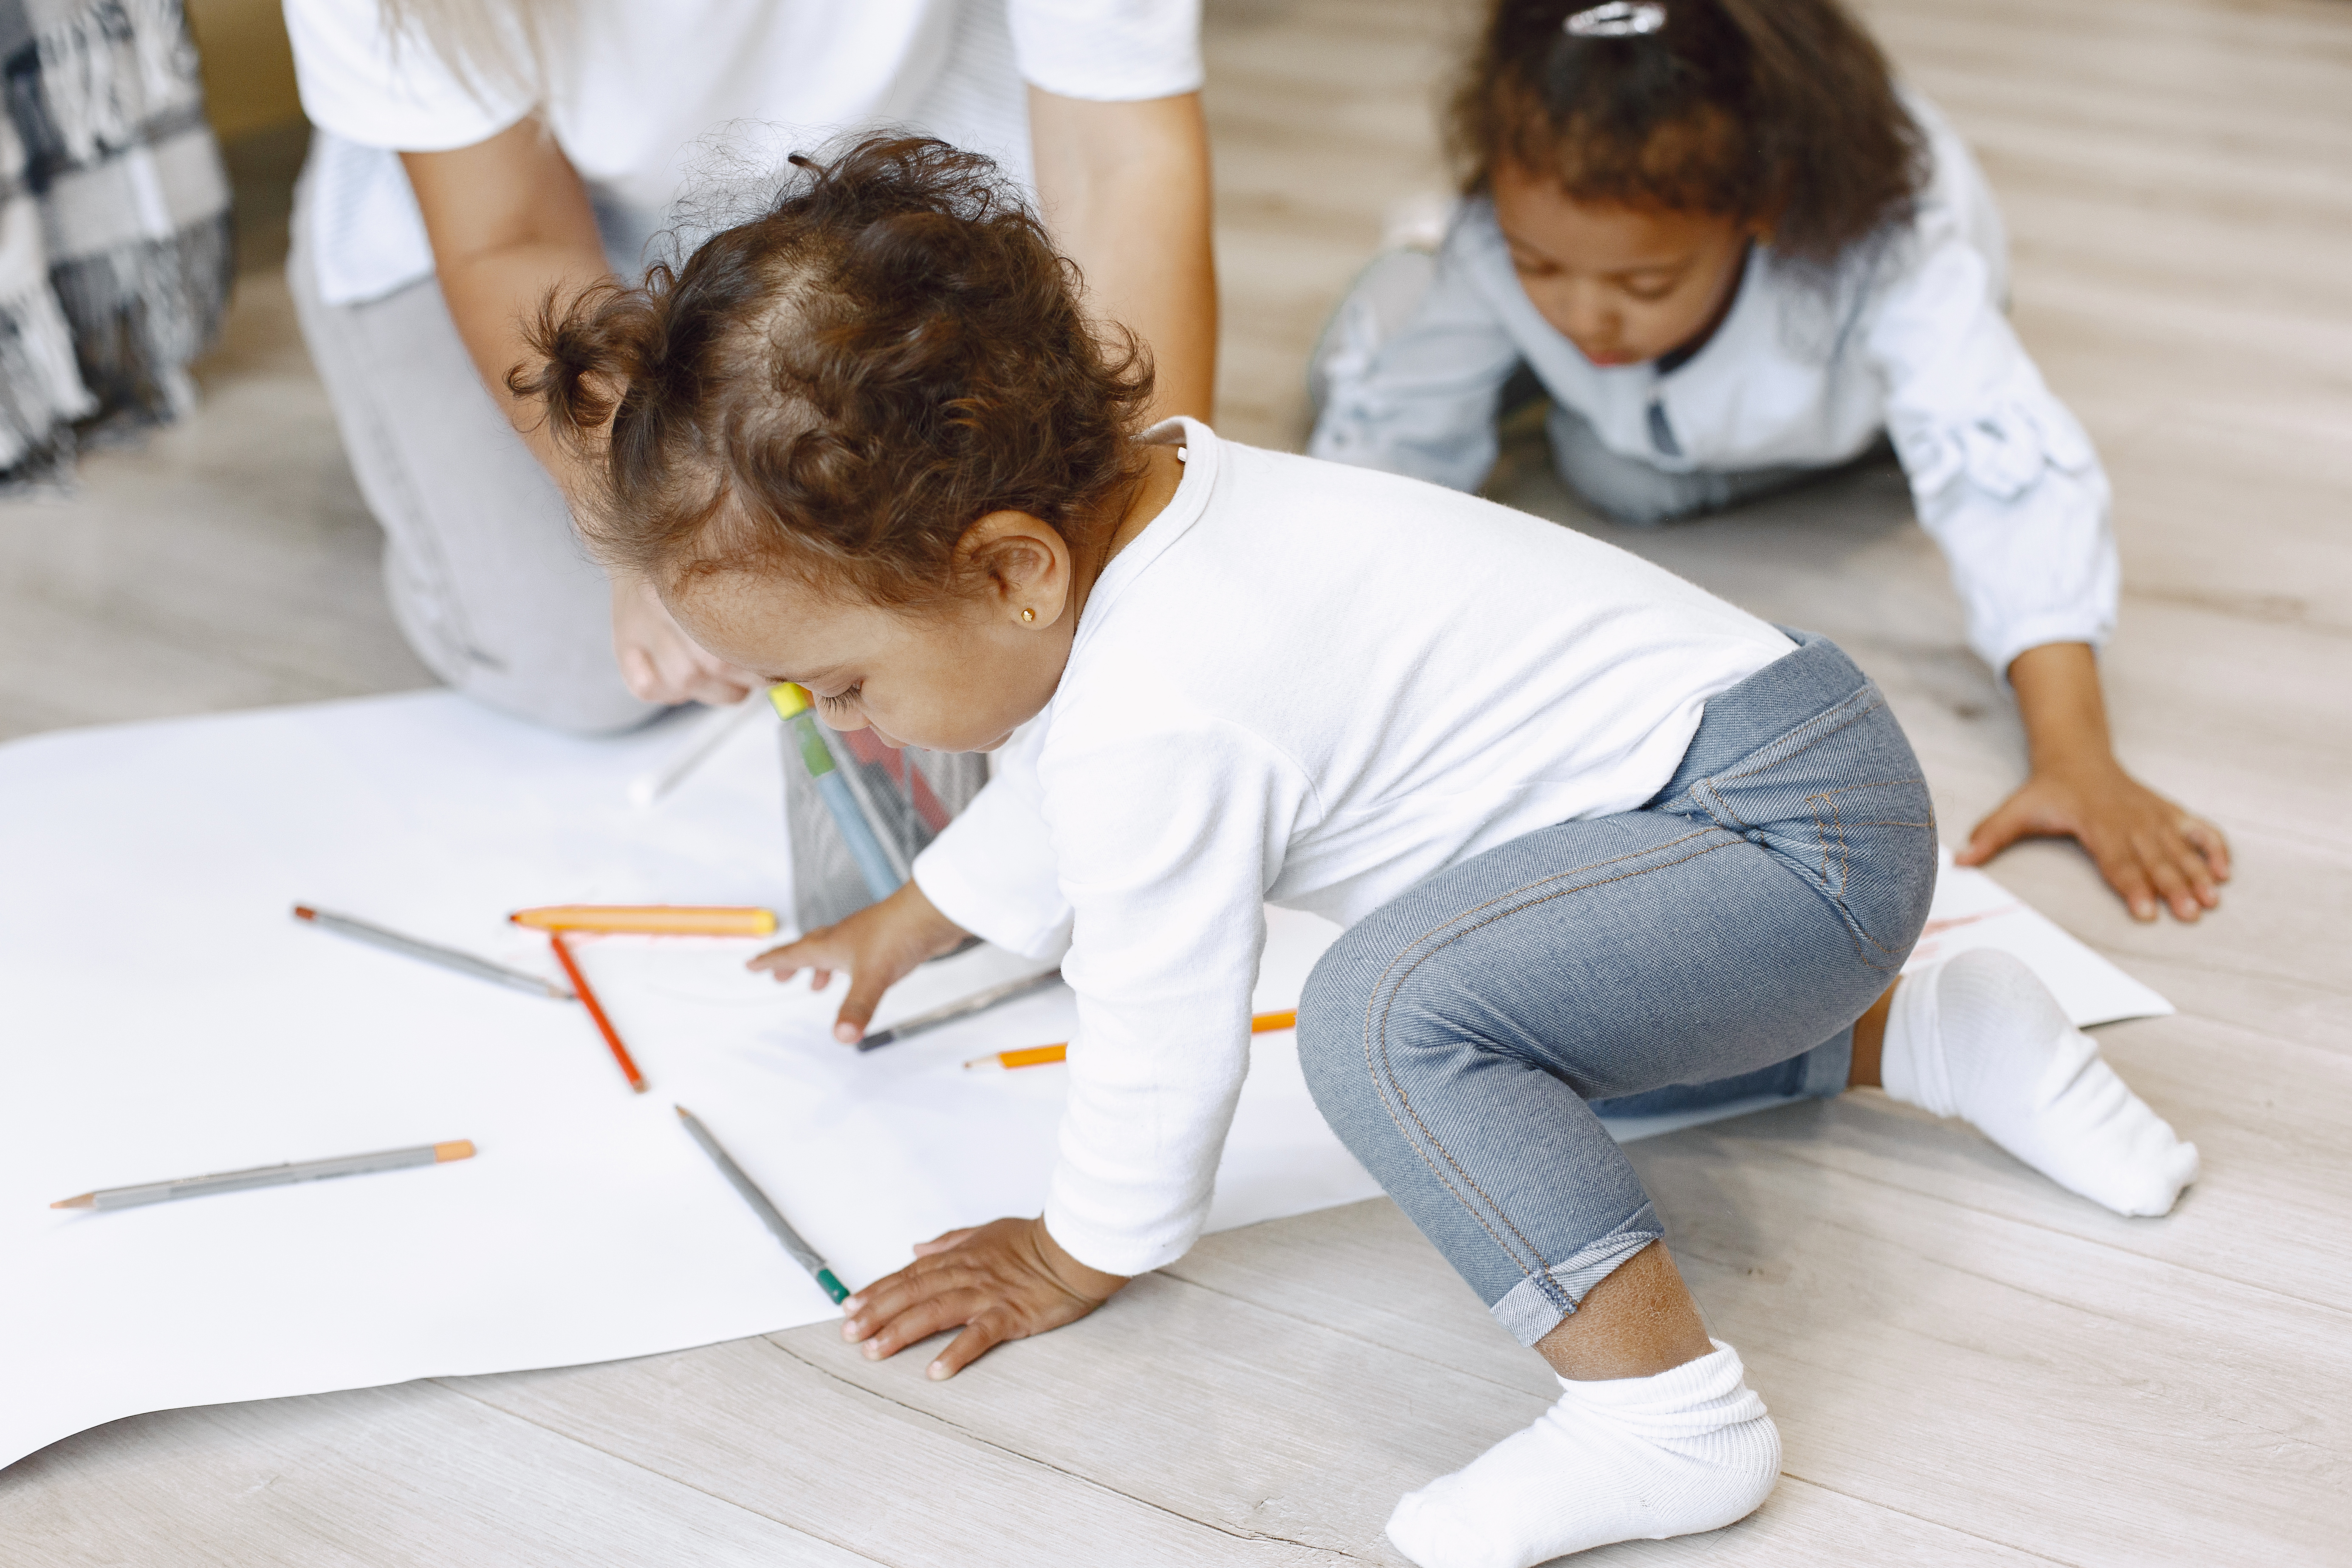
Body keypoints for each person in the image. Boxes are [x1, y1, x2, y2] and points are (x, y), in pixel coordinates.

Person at [513, 138, 2200, 1566]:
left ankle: (1666, 1412)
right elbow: (1069, 792)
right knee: (1495, 1024)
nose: (855, 723)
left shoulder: (1162, 700)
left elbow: (1156, 1001)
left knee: (1389, 1023)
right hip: (1788, 800)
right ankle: (1928, 1029)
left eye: (850, 679)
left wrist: (1081, 1243)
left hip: (1771, 837)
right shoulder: (1163, 517)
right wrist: (920, 914)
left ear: (1015, 568)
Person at [1306, 0, 2231, 927]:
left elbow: (1999, 467)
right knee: (1465, 410)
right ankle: (1428, 286)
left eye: (1644, 283)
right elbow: (1399, 442)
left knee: (1626, 472)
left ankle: (1561, 381)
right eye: (1537, 266)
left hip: (1839, 393)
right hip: (1648, 404)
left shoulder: (1891, 238)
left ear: (1763, 205)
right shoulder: (1498, 235)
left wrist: (2077, 753)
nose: (1587, 317)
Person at [282, 0, 1213, 732]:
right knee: (587, 674)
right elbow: (510, 234)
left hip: (885, 182)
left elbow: (1119, 160)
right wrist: (637, 510)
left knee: (1010, 589)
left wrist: (1136, 569)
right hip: (523, 220)